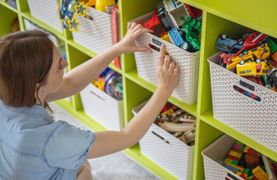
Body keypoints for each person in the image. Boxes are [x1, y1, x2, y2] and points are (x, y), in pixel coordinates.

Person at [0, 23, 180, 180]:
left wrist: (117, 48)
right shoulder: (51, 139)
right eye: (58, 65)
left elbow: (70, 83)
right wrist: (164, 89)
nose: (66, 64)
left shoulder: (12, 90)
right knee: (83, 167)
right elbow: (127, 137)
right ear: (36, 82)